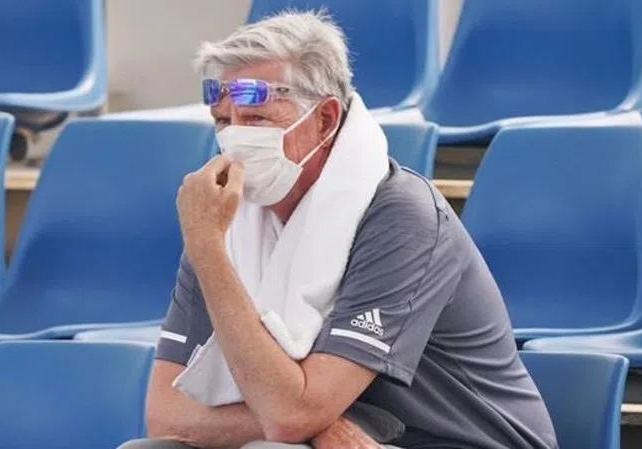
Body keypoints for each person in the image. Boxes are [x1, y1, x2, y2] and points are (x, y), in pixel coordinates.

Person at [119, 10, 557, 449]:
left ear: (326, 119)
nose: (235, 140)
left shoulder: (402, 218)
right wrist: (319, 424)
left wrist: (207, 249)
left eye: (257, 120)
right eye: (223, 121)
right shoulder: (220, 221)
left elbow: (290, 418)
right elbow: (166, 415)